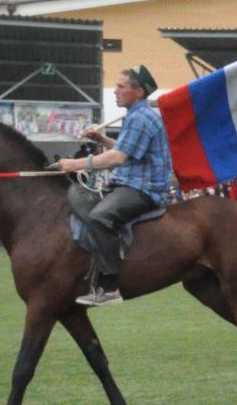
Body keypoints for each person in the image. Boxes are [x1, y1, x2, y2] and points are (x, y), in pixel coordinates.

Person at [55, 65, 173, 306]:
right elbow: (124, 149)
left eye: (121, 87)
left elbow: (118, 158)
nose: (115, 91)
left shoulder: (142, 118)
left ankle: (109, 286)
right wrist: (101, 139)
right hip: (129, 184)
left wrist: (75, 164)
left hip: (145, 190)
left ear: (138, 92)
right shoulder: (135, 115)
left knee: (99, 216)